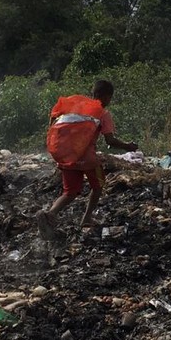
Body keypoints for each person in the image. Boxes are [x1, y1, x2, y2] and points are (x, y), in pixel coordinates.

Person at [37, 79, 138, 236]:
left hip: (67, 157)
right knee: (98, 185)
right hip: (88, 159)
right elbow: (110, 140)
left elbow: (53, 123)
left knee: (69, 192)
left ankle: (50, 214)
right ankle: (86, 218)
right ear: (105, 96)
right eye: (109, 97)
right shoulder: (102, 113)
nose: (109, 101)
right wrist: (128, 146)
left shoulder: (75, 109)